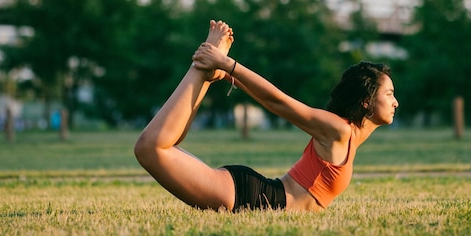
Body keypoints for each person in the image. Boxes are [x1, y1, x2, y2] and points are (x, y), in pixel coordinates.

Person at [134, 20, 399, 212]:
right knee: (151, 148)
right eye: (389, 94)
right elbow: (278, 102)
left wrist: (227, 74)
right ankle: (202, 67)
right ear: (366, 101)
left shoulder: (350, 136)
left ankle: (208, 73)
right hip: (254, 199)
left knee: (168, 145)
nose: (395, 102)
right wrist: (228, 65)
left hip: (257, 192)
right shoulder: (338, 130)